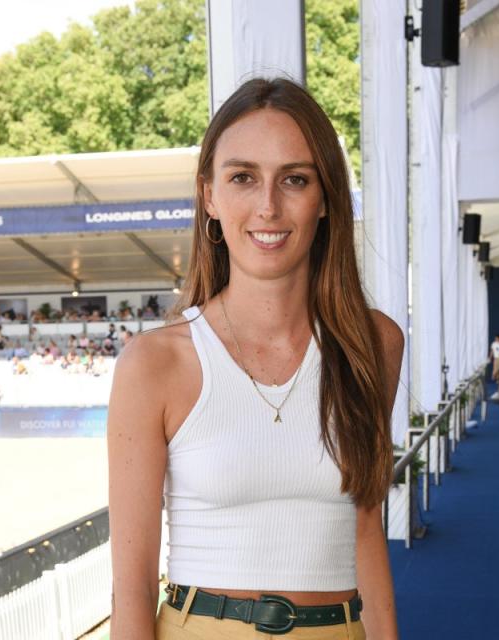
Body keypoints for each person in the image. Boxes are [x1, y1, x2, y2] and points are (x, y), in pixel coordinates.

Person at [108, 78, 403, 640]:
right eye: (243, 177)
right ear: (210, 197)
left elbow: (365, 529)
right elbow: (133, 586)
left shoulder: (374, 344)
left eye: (294, 179)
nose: (268, 206)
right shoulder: (153, 364)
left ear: (325, 200)